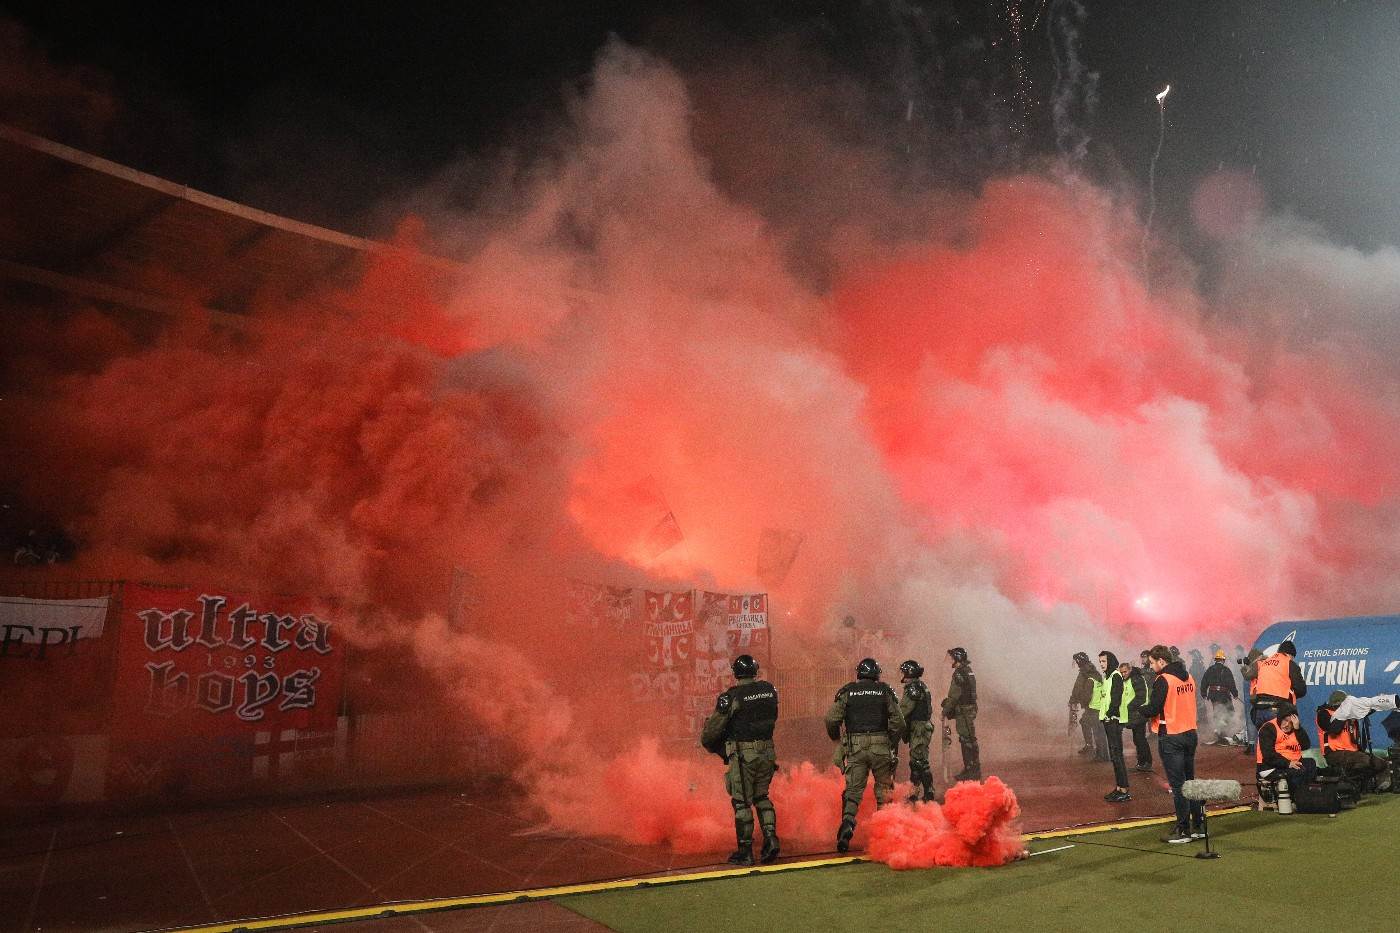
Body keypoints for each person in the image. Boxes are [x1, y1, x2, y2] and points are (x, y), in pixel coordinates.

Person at [700, 654, 780, 865]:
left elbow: (710, 733)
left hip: (744, 755)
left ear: (736, 673)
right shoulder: (769, 690)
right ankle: (771, 838)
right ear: (755, 671)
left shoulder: (732, 697)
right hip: (768, 752)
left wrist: (717, 744)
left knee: (741, 802)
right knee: (762, 797)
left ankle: (745, 851)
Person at [825, 658, 905, 853]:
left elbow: (831, 719)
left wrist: (837, 739)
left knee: (853, 791)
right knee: (884, 790)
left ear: (859, 674)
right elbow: (899, 722)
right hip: (880, 744)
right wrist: (891, 742)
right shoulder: (885, 690)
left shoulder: (847, 691)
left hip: (856, 746)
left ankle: (847, 824)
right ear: (877, 674)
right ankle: (884, 835)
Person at [1132, 644, 1203, 844]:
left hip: (1171, 735)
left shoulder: (1163, 679)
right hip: (1190, 732)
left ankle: (1183, 830)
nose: (1152, 666)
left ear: (1162, 661)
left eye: (1153, 663)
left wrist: (1140, 710)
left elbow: (1155, 707)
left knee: (1178, 784)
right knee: (1190, 781)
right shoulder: (1189, 677)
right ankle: (1198, 826)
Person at [1316, 691, 1391, 791]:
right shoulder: (1324, 714)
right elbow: (1334, 730)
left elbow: (1367, 709)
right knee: (1364, 760)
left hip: (1353, 753)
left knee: (1380, 763)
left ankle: (1372, 786)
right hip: (1334, 753)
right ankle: (1350, 783)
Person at [1255, 703, 1315, 804]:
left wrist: (1298, 729)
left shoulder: (1295, 729)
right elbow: (1269, 756)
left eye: (1291, 722)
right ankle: (1296, 798)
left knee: (1311, 764)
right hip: (1269, 767)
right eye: (1285, 720)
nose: (1287, 725)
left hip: (1290, 763)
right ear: (1280, 718)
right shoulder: (1268, 728)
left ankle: (1304, 796)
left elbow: (1305, 745)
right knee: (1300, 771)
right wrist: (1288, 763)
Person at [1247, 640, 1307, 739]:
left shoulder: (1264, 663)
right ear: (1290, 654)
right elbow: (1301, 690)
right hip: (1277, 710)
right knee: (1281, 744)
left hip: (1259, 710)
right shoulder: (1289, 663)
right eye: (1292, 657)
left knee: (1264, 744)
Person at [898, 659, 935, 803]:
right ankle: (920, 792)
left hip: (918, 728)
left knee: (918, 762)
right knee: (919, 761)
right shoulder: (921, 686)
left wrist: (891, 719)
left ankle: (922, 794)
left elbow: (903, 710)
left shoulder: (912, 689)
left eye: (904, 671)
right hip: (923, 726)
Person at [942, 647, 981, 781]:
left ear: (957, 658)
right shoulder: (968, 671)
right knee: (969, 739)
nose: (951, 660)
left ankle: (972, 770)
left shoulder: (959, 673)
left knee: (967, 740)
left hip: (964, 710)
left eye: (953, 657)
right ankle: (972, 768)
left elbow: (954, 695)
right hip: (969, 708)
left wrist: (945, 710)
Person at [1099, 652, 1131, 802]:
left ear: (1110, 661)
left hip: (1113, 720)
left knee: (1117, 755)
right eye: (1100, 661)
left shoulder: (1115, 676)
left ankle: (1123, 789)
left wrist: (1110, 714)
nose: (1101, 664)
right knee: (1115, 755)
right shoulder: (1109, 676)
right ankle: (1119, 787)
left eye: (1104, 661)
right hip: (1109, 720)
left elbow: (1116, 698)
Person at [1071, 652, 1109, 761]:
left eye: (1076, 661)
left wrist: (1078, 701)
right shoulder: (1093, 672)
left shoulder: (1087, 674)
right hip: (1097, 706)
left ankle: (1101, 755)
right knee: (1086, 723)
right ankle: (1097, 751)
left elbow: (1084, 692)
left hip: (1094, 707)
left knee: (1098, 730)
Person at [1200, 649, 1240, 745]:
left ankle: (1219, 732)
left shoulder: (1210, 670)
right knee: (1227, 712)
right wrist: (1235, 694)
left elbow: (1204, 682)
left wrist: (1204, 694)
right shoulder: (1226, 670)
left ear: (1216, 660)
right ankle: (1223, 733)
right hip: (1224, 696)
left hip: (1213, 696)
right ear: (1223, 660)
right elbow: (1231, 683)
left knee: (1217, 712)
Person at [1122, 661, 1154, 772]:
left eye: (1125, 672)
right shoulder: (1130, 679)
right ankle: (1142, 762)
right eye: (1121, 672)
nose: (1123, 674)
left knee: (1140, 739)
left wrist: (1128, 707)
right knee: (1138, 739)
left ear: (1130, 670)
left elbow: (1140, 697)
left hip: (1139, 713)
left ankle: (1146, 762)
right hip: (1135, 713)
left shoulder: (1136, 679)